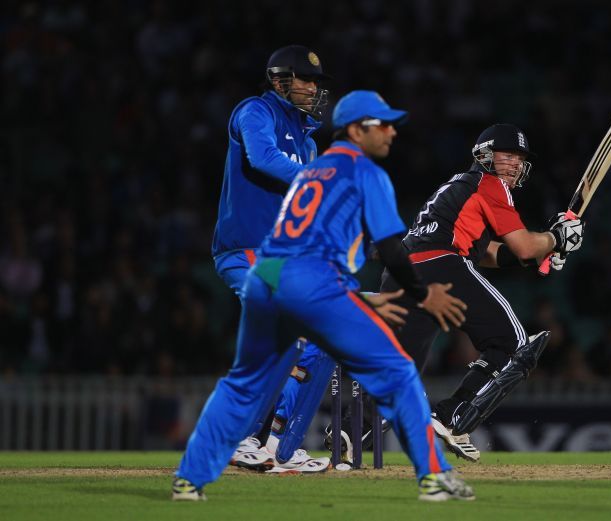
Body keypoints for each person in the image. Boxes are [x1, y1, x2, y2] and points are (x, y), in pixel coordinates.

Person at [172, 90, 475, 502]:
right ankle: (435, 479)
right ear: (354, 130)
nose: (390, 132)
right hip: (310, 280)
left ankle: (192, 477)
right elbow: (390, 251)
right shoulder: (365, 174)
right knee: (398, 372)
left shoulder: (310, 172)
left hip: (272, 273)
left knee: (243, 382)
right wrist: (421, 294)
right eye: (380, 124)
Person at [375, 123, 586, 461]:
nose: (515, 164)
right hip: (442, 266)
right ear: (484, 155)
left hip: (401, 272)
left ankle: (349, 432)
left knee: (400, 372)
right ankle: (452, 417)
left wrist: (542, 250)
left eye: (520, 158)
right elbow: (523, 247)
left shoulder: (458, 186)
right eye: (508, 156)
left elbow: (488, 251)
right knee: (513, 343)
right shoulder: (490, 184)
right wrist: (556, 239)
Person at [210, 44, 332, 473]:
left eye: (316, 81)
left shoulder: (309, 141)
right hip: (244, 249)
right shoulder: (254, 112)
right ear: (281, 79)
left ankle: (278, 448)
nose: (314, 88)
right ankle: (238, 438)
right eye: (307, 79)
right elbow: (261, 158)